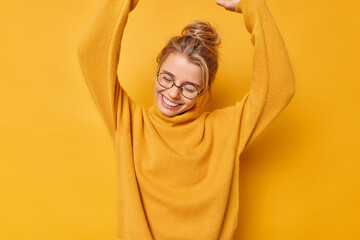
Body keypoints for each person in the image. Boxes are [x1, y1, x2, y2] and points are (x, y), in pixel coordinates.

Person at [77, 0, 295, 239]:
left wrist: (252, 5)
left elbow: (279, 86)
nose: (173, 93)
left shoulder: (226, 130)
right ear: (156, 72)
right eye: (167, 78)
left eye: (189, 87)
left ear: (204, 91)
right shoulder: (127, 122)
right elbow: (91, 55)